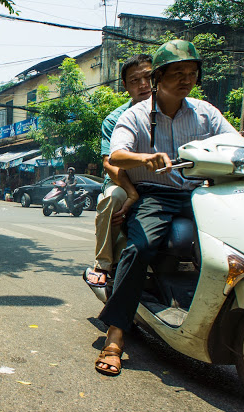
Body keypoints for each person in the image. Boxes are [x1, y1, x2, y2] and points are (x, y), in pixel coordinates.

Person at [94, 40, 238, 376]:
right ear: (160, 77)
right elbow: (115, 156)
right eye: (177, 73)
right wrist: (145, 157)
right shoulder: (135, 115)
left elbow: (235, 144)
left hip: (200, 194)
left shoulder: (206, 112)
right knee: (139, 247)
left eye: (191, 73)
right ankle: (115, 335)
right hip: (155, 194)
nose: (186, 78)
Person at [84, 54, 152, 287]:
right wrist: (132, 193)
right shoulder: (116, 119)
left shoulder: (176, 111)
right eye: (135, 80)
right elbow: (109, 163)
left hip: (162, 183)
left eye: (149, 77)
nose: (143, 84)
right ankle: (102, 264)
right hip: (123, 182)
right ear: (125, 86)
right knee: (111, 200)